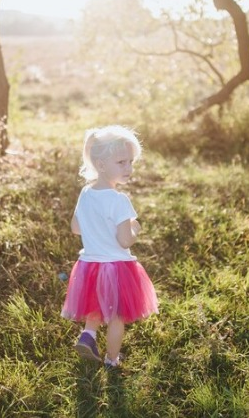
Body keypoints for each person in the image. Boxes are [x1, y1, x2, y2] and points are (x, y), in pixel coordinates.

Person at [61, 125, 159, 368]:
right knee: (116, 317)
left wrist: (97, 228)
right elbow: (125, 240)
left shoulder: (85, 193)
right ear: (101, 165)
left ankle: (88, 335)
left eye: (130, 162)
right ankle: (111, 360)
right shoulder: (119, 200)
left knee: (95, 304)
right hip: (116, 267)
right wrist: (135, 228)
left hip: (89, 263)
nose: (129, 168)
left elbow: (75, 227)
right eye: (121, 162)